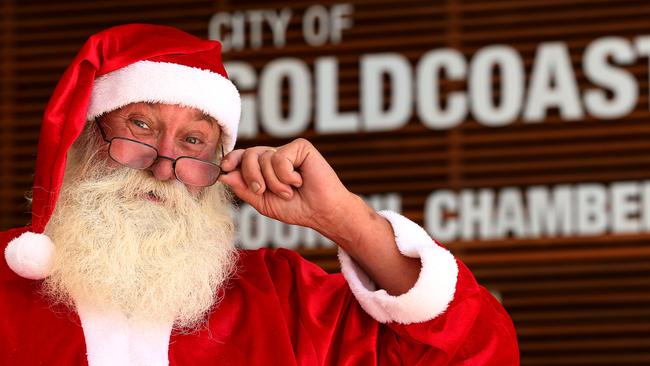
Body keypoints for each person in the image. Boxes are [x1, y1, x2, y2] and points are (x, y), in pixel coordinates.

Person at [0, 24, 518, 365]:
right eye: (139, 125)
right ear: (84, 140)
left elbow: (476, 353)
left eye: (193, 141)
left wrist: (343, 219)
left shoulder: (284, 301)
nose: (163, 166)